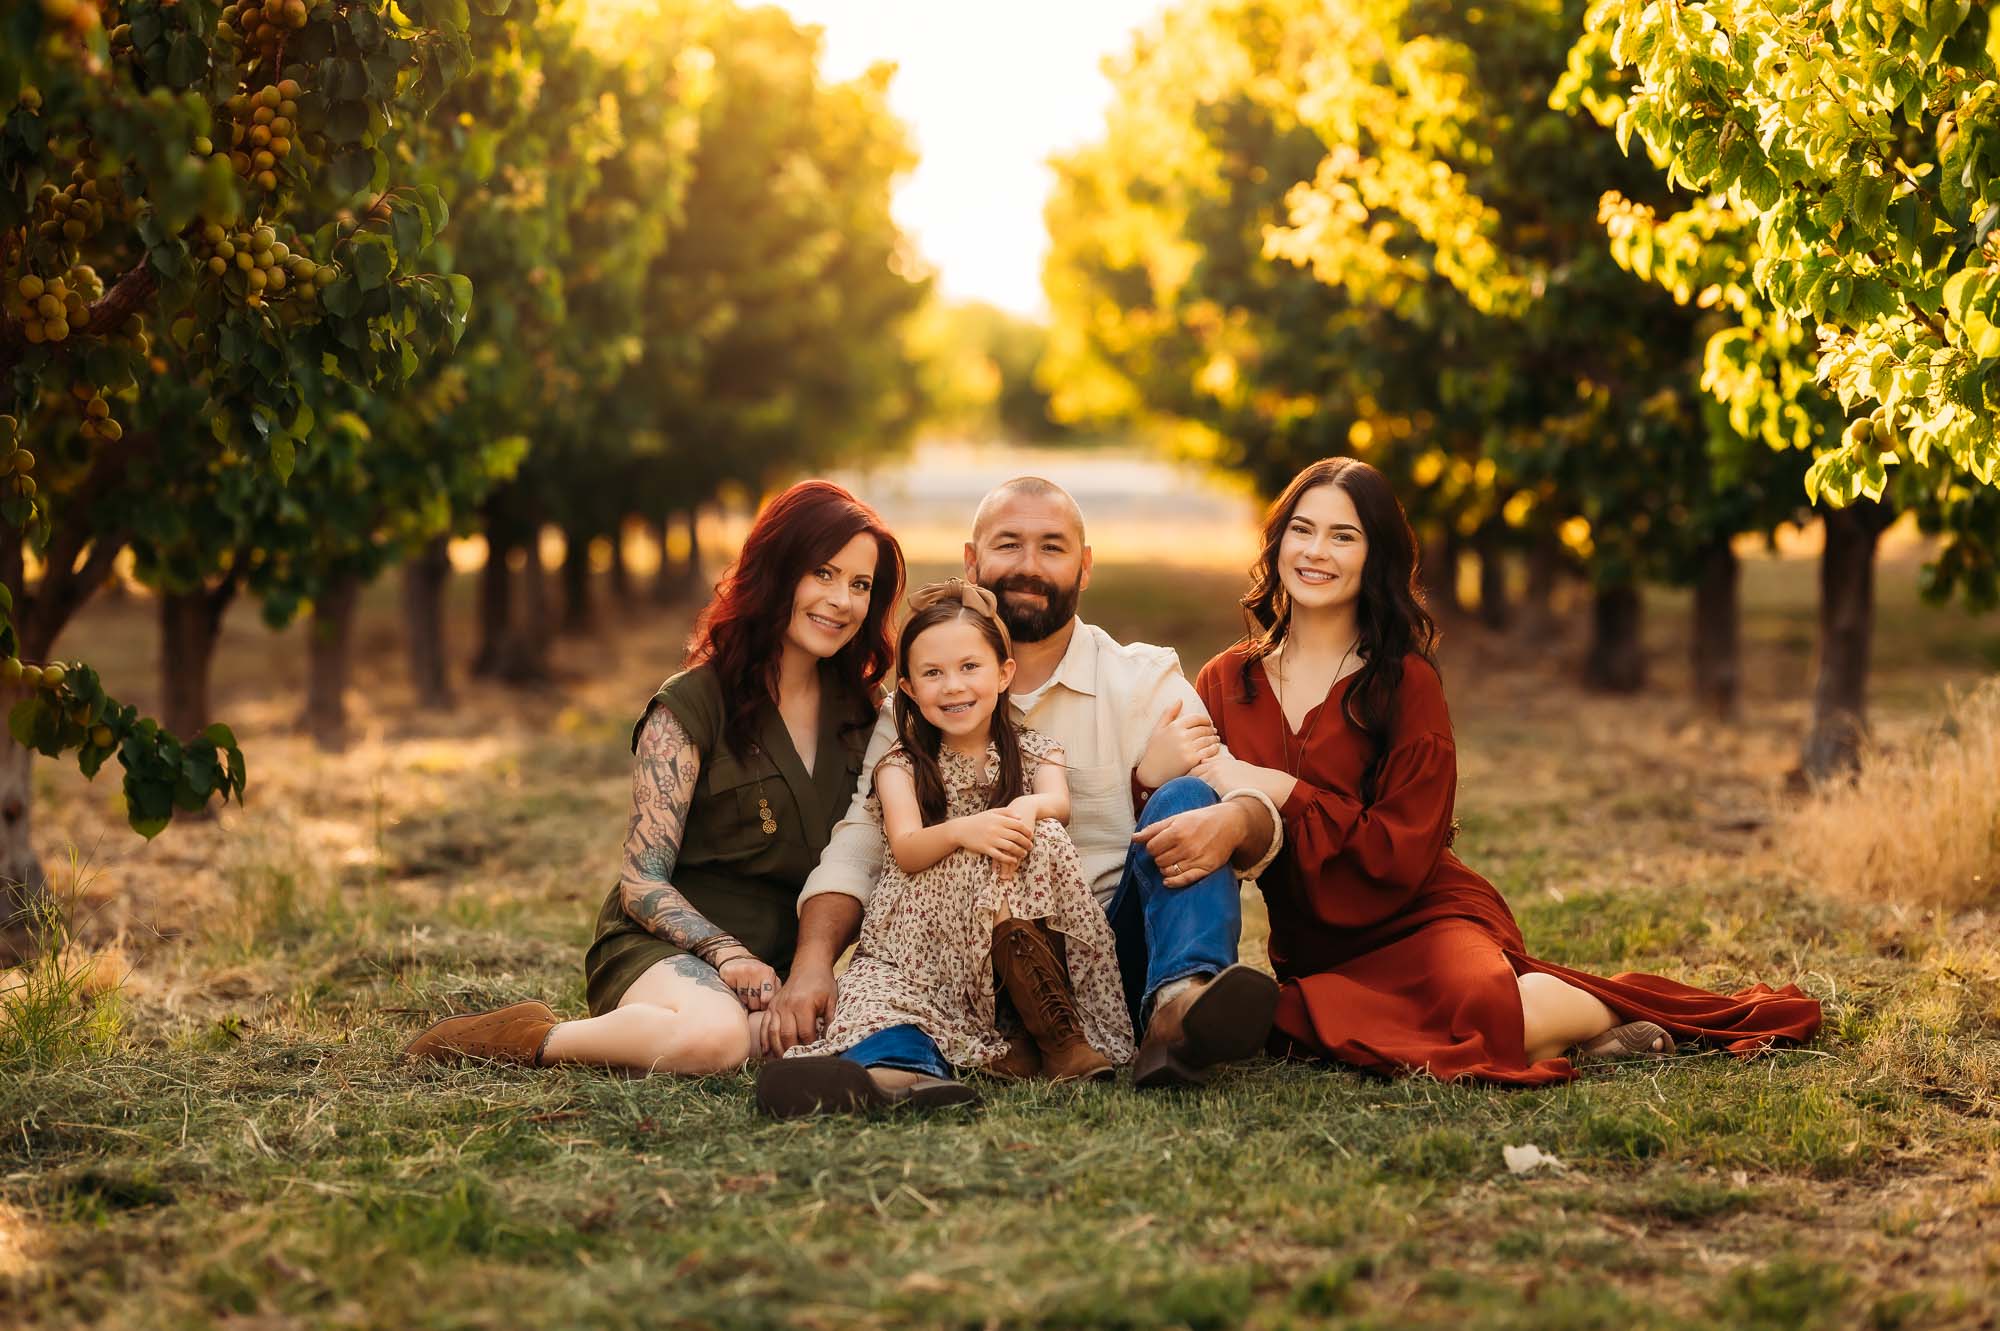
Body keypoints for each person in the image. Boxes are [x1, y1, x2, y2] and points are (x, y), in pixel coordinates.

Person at [1189, 457, 1823, 1084]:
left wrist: (1284, 790)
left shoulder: (1404, 683)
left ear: (1374, 555)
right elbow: (1185, 814)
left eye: (1343, 536)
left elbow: (1403, 851)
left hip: (1422, 914)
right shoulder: (1226, 682)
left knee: (1485, 1011)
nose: (1316, 551)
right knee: (1292, 1027)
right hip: (1319, 950)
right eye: (1302, 529)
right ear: (1278, 542)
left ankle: (1598, 1012)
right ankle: (1582, 1036)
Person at [403, 482, 959, 1097]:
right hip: (668, 948)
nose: (841, 601)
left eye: (860, 585)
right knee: (712, 1041)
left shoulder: (867, 717)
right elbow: (642, 883)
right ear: (775, 572)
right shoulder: (690, 706)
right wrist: (726, 955)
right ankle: (520, 1038)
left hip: (783, 968)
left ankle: (749, 1036)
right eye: (822, 574)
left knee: (831, 1034)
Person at [756, 477, 1288, 1116]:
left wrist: (1235, 818)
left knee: (1190, 795)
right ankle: (896, 1067)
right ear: (972, 562)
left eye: (1053, 547)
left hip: (1102, 955)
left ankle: (1180, 1009)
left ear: (1084, 566)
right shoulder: (913, 712)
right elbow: (865, 838)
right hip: (960, 954)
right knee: (894, 989)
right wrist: (814, 961)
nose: (1029, 567)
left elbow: (1236, 791)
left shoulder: (1145, 680)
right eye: (1008, 545)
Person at [763, 581, 1135, 1115]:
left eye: (969, 667)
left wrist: (1023, 809)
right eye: (932, 673)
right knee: (885, 1012)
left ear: (1004, 674)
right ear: (909, 689)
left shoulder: (1036, 750)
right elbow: (909, 850)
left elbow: (1058, 806)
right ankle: (876, 1080)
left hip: (1003, 956)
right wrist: (967, 830)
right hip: (921, 948)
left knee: (1041, 836)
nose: (953, 686)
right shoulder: (903, 766)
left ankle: (1055, 1037)